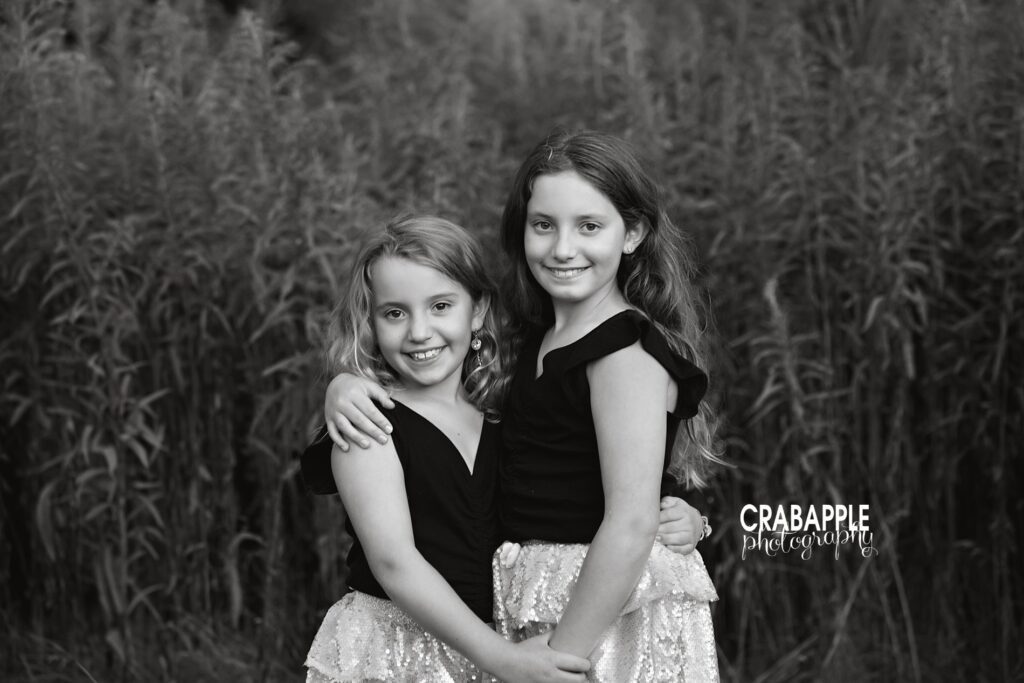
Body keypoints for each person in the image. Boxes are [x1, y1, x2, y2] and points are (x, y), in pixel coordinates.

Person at [314, 129, 722, 681]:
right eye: (543, 225)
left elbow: (630, 518)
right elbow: (564, 466)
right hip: (528, 611)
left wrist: (559, 663)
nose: (562, 248)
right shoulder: (529, 345)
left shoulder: (624, 353)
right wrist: (344, 384)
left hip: (598, 611)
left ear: (634, 234)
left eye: (590, 226)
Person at [303, 214, 593, 682]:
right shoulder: (367, 421)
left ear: (476, 311)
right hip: (395, 654)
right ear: (371, 323)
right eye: (395, 313)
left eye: (440, 306)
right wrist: (502, 659)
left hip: (495, 647)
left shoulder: (506, 414)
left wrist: (687, 515)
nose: (419, 332)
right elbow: (394, 562)